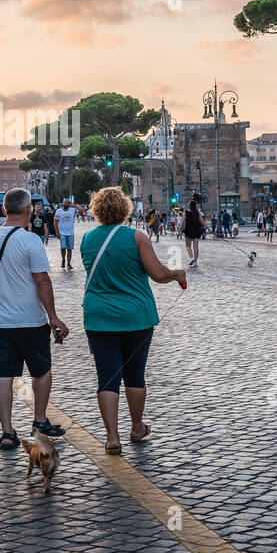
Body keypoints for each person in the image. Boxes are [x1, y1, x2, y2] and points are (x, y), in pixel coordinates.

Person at [80, 186, 185, 455]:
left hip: (99, 316)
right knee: (134, 375)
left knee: (107, 377)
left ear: (97, 210)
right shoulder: (137, 237)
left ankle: (112, 437)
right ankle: (137, 426)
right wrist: (176, 274)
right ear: (125, 208)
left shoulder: (88, 240)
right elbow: (158, 274)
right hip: (135, 316)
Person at [0, 187, 69, 450]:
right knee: (42, 371)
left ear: (2, 210)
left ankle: (7, 432)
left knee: (3, 377)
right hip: (32, 321)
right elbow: (42, 280)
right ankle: (39, 419)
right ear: (27, 211)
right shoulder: (31, 241)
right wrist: (54, 317)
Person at [54, 198, 79, 270]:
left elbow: (83, 211)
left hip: (70, 233)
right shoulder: (59, 211)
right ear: (62, 203)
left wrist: (74, 205)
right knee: (63, 248)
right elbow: (55, 222)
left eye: (67, 203)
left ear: (69, 203)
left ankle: (68, 263)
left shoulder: (72, 210)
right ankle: (63, 259)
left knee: (69, 249)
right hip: (62, 233)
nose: (65, 204)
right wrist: (57, 232)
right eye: (64, 202)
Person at [182, 199, 205, 266]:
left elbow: (182, 222)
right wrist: (208, 227)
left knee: (188, 246)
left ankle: (192, 258)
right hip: (197, 231)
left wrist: (180, 229)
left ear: (189, 206)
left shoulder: (186, 212)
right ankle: (195, 262)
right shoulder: (197, 212)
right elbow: (202, 221)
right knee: (195, 247)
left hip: (188, 231)